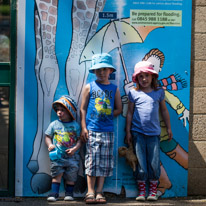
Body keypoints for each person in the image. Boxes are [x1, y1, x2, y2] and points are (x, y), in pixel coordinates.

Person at [126, 61, 172, 201]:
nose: (144, 79)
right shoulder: (134, 93)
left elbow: (164, 110)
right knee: (140, 162)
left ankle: (152, 191)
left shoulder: (158, 93)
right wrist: (128, 131)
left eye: (147, 76)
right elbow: (129, 113)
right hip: (138, 133)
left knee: (153, 162)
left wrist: (169, 128)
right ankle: (141, 192)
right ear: (137, 79)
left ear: (153, 77)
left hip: (154, 134)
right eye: (141, 76)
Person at [80, 53, 122, 204]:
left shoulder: (114, 89)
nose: (102, 72)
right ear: (94, 71)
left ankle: (99, 191)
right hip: (91, 130)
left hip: (107, 131)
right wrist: (83, 127)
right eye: (98, 69)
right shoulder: (88, 87)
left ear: (110, 71)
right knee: (91, 161)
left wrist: (108, 113)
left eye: (104, 69)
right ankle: (90, 191)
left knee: (104, 162)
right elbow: (83, 108)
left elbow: (119, 109)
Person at [45, 95, 82, 202]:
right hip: (57, 156)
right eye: (58, 110)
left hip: (72, 156)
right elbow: (47, 136)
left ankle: (69, 193)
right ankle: (54, 193)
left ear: (70, 111)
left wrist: (75, 148)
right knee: (57, 174)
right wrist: (50, 145)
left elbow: (80, 140)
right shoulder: (54, 124)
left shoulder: (75, 125)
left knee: (71, 175)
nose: (59, 112)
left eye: (62, 110)